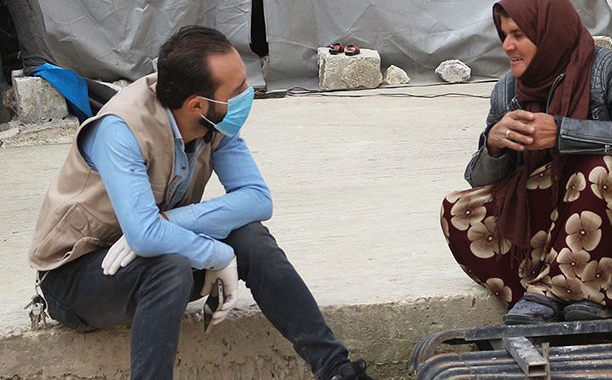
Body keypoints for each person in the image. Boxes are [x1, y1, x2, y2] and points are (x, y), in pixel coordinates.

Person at [28, 26, 374, 380]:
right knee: (170, 268)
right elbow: (147, 236)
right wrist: (216, 254)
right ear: (197, 104)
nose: (247, 93)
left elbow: (257, 200)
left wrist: (169, 224)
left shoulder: (216, 119)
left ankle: (336, 370)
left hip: (155, 256)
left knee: (251, 239)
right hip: (78, 277)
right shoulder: (121, 130)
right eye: (237, 88)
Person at [439, 0, 612, 325]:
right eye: (504, 35)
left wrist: (562, 132)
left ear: (549, 32)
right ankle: (574, 288)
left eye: (518, 35)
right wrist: (494, 146)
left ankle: (553, 292)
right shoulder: (507, 91)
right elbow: (483, 181)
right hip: (555, 237)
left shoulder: (603, 70)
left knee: (601, 168)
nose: (507, 46)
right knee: (459, 210)